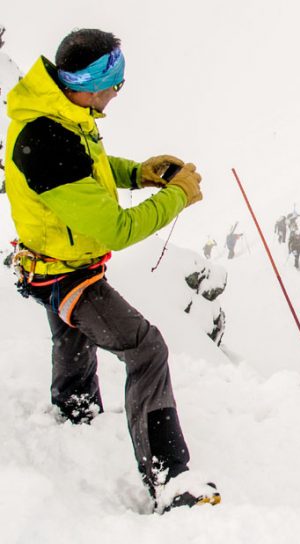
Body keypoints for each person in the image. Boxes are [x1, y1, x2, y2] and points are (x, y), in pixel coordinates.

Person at [4, 28, 218, 512]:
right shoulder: (48, 137)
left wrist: (136, 172)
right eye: (115, 84)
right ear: (91, 82)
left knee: (73, 331)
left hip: (52, 264)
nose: (118, 94)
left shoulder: (59, 112)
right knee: (146, 348)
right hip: (65, 272)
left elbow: (89, 166)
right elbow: (117, 230)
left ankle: (75, 412)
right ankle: (171, 479)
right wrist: (177, 195)